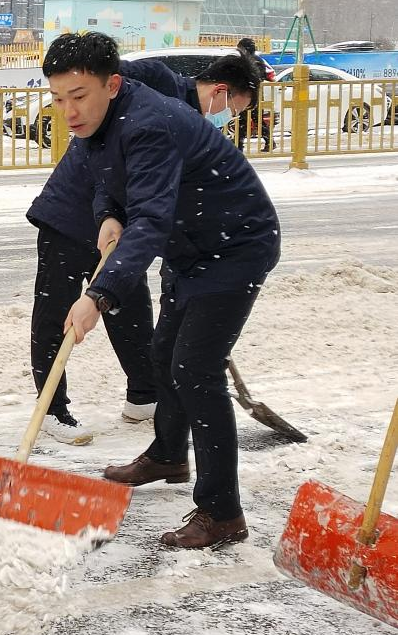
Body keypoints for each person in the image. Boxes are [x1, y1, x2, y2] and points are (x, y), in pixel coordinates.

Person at [46, 33, 281, 549]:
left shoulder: (150, 123)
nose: (68, 110)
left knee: (195, 370)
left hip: (235, 244)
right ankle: (169, 455)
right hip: (192, 245)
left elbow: (150, 219)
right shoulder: (102, 119)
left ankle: (222, 513)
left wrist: (99, 295)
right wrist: (108, 214)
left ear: (113, 83)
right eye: (58, 97)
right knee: (163, 352)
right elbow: (107, 175)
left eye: (78, 95)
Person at [27, 52, 263, 444]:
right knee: (58, 312)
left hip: (126, 224)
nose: (231, 119)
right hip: (71, 210)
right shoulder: (156, 85)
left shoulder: (186, 122)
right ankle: (52, 408)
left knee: (131, 308)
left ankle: (143, 396)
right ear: (222, 91)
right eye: (235, 109)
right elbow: (103, 85)